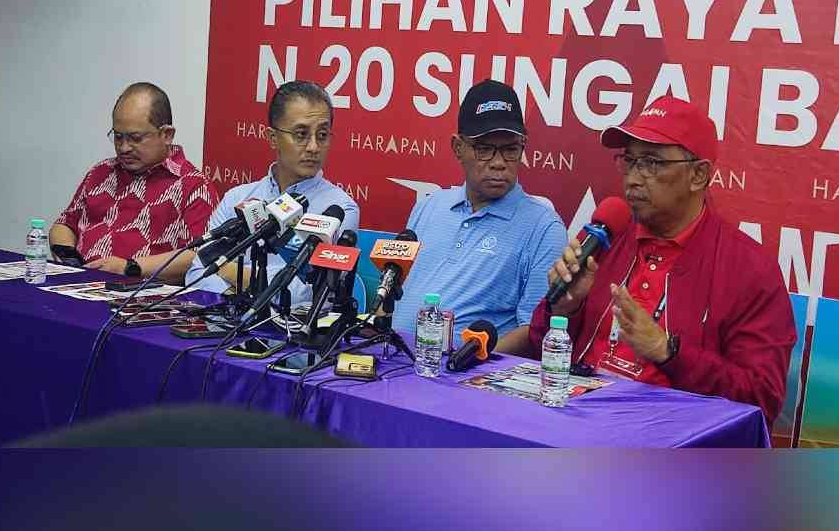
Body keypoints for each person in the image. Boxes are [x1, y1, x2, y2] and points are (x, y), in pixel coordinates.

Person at [503, 96, 796, 427]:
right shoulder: (606, 236)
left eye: (652, 163)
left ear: (699, 175)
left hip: (670, 446)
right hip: (571, 423)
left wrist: (668, 351)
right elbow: (542, 343)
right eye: (629, 161)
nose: (633, 178)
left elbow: (761, 400)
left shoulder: (749, 269)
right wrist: (564, 309)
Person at [389, 79, 567, 347]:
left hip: (462, 379)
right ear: (458, 148)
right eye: (484, 149)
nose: (498, 163)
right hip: (391, 364)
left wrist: (465, 365)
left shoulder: (544, 228)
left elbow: (533, 330)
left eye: (510, 149)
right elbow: (390, 289)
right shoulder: (429, 205)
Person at [186, 80, 359, 305]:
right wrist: (245, 294)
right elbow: (198, 272)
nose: (314, 147)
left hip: (291, 334)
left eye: (323, 135)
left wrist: (232, 274)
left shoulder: (339, 209)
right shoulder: (238, 198)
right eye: (301, 134)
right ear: (273, 138)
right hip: (223, 323)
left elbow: (306, 293)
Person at [50, 82, 217, 283]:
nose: (124, 147)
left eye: (135, 138)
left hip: (140, 301)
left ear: (167, 135)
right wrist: (68, 256)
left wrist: (129, 267)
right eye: (118, 137)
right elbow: (65, 224)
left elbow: (199, 257)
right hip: (79, 285)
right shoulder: (101, 172)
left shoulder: (193, 186)